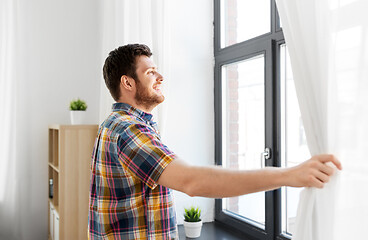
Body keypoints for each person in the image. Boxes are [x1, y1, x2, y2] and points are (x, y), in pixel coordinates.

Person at [88, 44, 342, 240]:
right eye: (150, 72)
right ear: (128, 82)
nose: (160, 76)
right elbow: (192, 181)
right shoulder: (128, 130)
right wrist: (289, 175)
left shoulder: (116, 124)